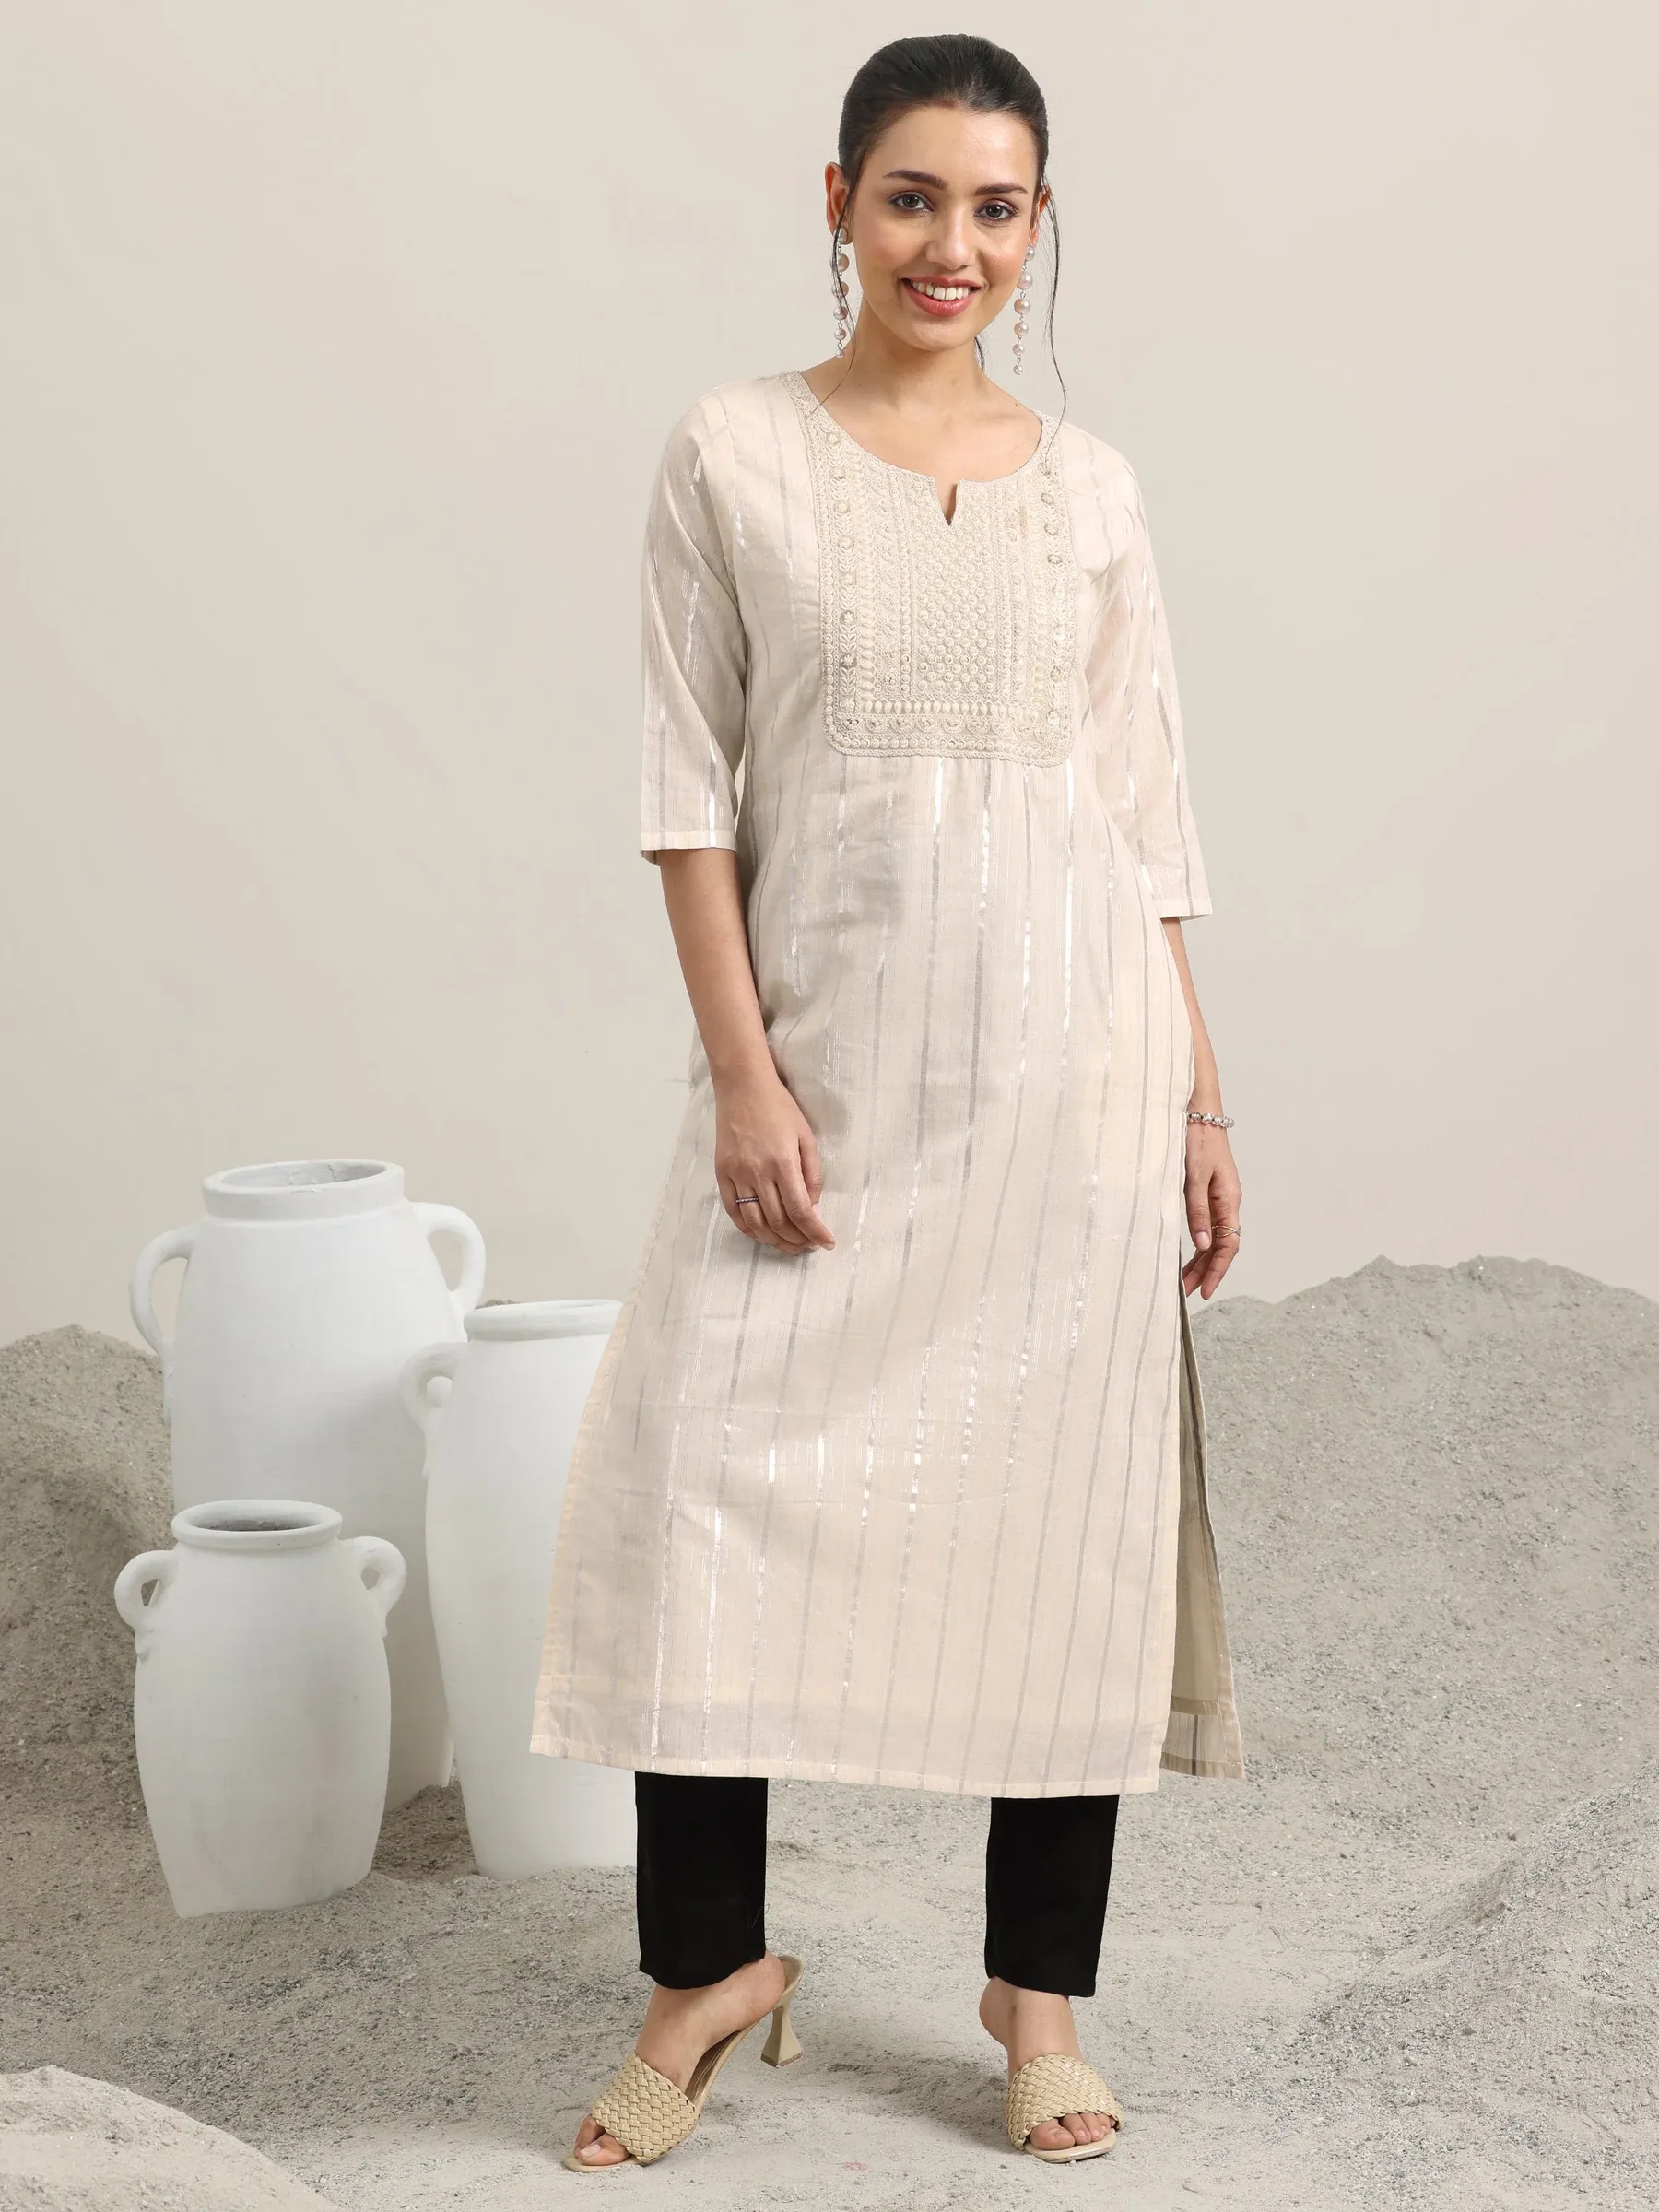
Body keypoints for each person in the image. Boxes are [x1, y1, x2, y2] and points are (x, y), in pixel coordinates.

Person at [533, 30, 1246, 2173]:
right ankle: (706, 1971)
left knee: (1063, 1535)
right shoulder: (733, 453)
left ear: (1040, 225)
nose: (955, 245)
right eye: (915, 196)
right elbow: (686, 796)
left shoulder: (1095, 493)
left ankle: (1038, 1995)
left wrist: (1201, 1102)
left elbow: (1145, 815)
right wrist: (745, 1080)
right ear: (835, 199)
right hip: (826, 1087)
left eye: (997, 207)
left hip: (1070, 1088)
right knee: (698, 1492)